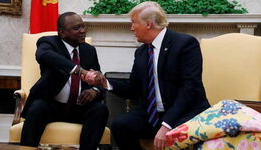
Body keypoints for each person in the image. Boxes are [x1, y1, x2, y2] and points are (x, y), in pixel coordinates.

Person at [83, 2, 210, 150]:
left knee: (175, 134)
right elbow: (133, 89)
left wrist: (166, 125)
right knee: (121, 125)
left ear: (148, 24)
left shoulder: (185, 44)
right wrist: (104, 83)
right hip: (154, 115)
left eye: (133, 23)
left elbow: (190, 89)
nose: (131, 28)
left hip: (185, 112)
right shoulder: (142, 52)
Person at [20, 12, 109, 150]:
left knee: (100, 109)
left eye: (83, 27)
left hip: (80, 107)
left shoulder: (89, 50)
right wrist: (78, 70)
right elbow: (43, 55)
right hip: (51, 105)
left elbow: (99, 79)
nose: (83, 31)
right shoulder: (48, 43)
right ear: (62, 33)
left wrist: (94, 90)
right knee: (37, 108)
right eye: (77, 28)